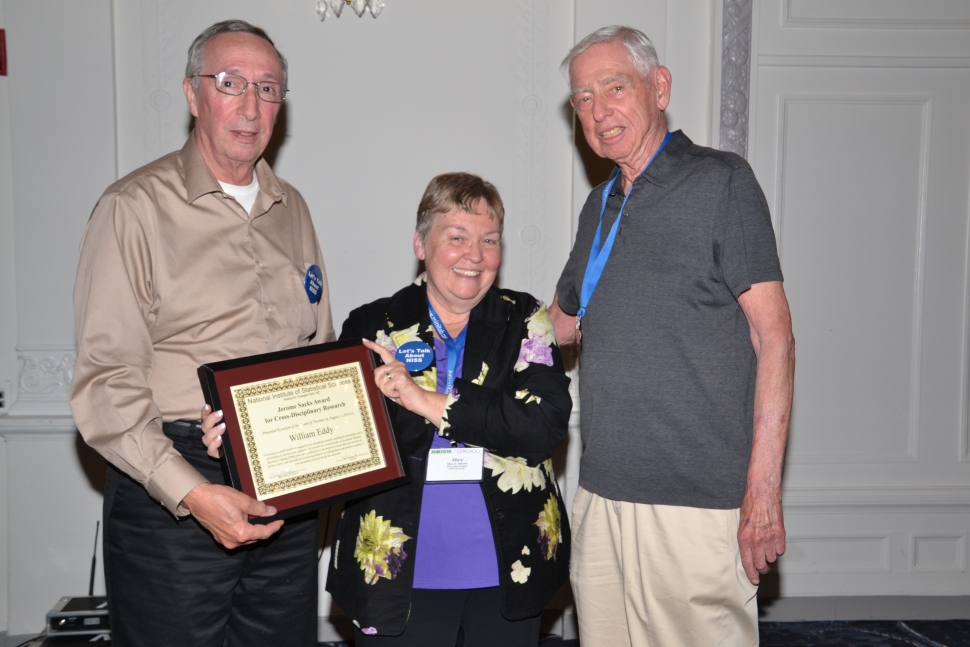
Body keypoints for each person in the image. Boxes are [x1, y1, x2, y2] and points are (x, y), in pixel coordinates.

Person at [69, 20, 334, 647]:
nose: (250, 105)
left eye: (268, 89)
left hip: (285, 485)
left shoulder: (291, 206)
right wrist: (191, 492)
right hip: (175, 487)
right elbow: (106, 382)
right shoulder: (133, 208)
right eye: (229, 83)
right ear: (193, 95)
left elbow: (315, 349)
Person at [548, 26, 795, 647]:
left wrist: (763, 492)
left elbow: (775, 339)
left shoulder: (721, 183)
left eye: (614, 87)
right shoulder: (600, 204)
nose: (598, 110)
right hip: (601, 494)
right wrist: (451, 315)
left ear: (658, 88)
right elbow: (558, 326)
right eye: (582, 98)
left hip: (696, 503)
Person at [315, 173, 570, 646]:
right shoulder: (373, 325)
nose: (475, 255)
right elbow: (336, 435)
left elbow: (541, 424)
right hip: (395, 570)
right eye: (457, 237)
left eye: (488, 240)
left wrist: (421, 400)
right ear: (420, 243)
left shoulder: (524, 318)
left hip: (507, 565)